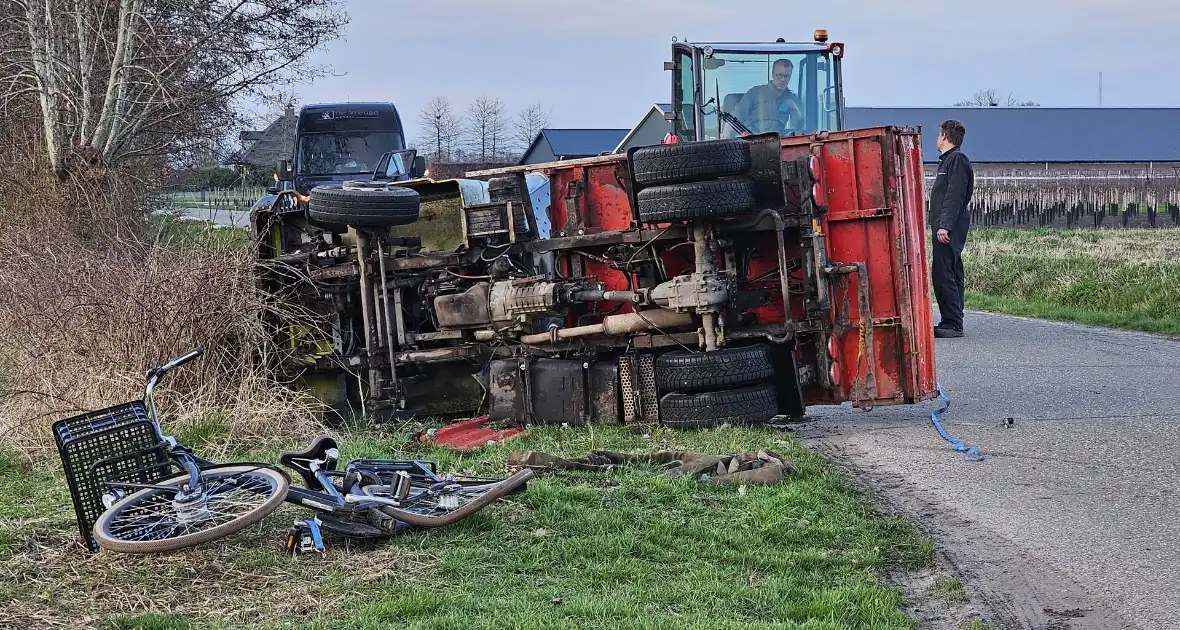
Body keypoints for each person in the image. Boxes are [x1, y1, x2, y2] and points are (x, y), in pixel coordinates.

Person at [928, 119, 975, 338]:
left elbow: (954, 196)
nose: (937, 138)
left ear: (945, 136)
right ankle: (954, 319)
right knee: (951, 270)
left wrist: (944, 226)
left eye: (939, 134)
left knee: (943, 272)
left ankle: (952, 322)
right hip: (947, 224)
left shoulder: (956, 160)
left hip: (949, 226)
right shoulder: (949, 161)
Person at [732, 58, 804, 134]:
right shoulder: (755, 92)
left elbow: (800, 127)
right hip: (753, 140)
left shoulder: (792, 98)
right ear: (772, 74)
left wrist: (793, 108)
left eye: (786, 76)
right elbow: (736, 118)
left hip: (780, 141)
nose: (783, 79)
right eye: (779, 75)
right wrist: (725, 136)